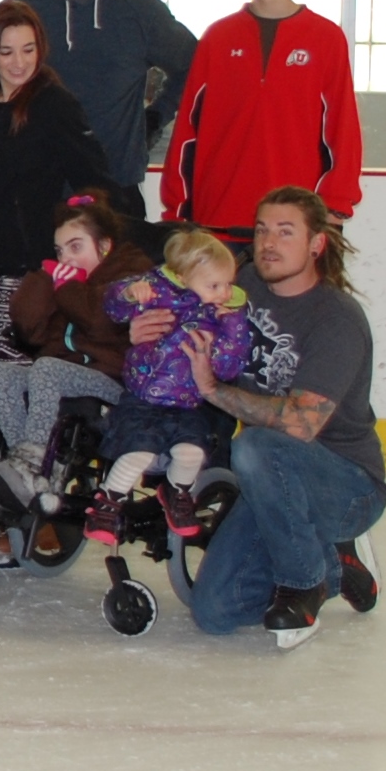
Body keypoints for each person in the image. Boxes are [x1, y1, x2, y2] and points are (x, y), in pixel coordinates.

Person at [184, 188, 384, 646]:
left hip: (348, 487)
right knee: (215, 610)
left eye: (285, 232)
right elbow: (179, 306)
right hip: (273, 482)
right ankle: (335, 563)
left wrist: (213, 390)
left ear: (316, 244)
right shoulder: (244, 285)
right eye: (261, 230)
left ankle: (304, 583)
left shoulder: (336, 319)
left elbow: (301, 424)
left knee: (256, 445)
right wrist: (146, 324)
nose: (268, 242)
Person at [161, 0, 363, 237]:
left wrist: (335, 206)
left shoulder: (326, 38)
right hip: (218, 219)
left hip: (296, 224)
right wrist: (177, 210)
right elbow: (188, 130)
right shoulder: (218, 37)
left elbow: (342, 130)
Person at [7, 0, 196, 219]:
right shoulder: (25, 7)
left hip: (115, 189)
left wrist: (156, 117)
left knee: (122, 273)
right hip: (40, 188)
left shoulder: (138, 10)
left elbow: (194, 65)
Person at [0, 191, 150, 509]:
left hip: (110, 379)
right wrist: (43, 279)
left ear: (105, 246)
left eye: (76, 247)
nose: (66, 258)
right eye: (59, 250)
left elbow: (99, 324)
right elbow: (28, 330)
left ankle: (33, 468)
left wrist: (68, 286)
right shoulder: (64, 279)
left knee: (47, 368)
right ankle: (29, 473)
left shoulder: (128, 276)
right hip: (61, 370)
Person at [0, 0, 115, 361]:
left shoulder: (54, 103)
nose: (19, 63)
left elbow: (93, 180)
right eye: (7, 52)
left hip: (33, 266)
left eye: (28, 50)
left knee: (17, 367)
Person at [85, 229, 252, 547]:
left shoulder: (222, 318)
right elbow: (113, 307)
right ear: (182, 276)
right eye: (214, 285)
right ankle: (106, 504)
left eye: (228, 284)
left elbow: (230, 366)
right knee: (137, 452)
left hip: (187, 404)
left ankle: (176, 492)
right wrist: (130, 294)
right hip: (143, 399)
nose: (224, 292)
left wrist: (232, 326)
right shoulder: (156, 290)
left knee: (192, 451)